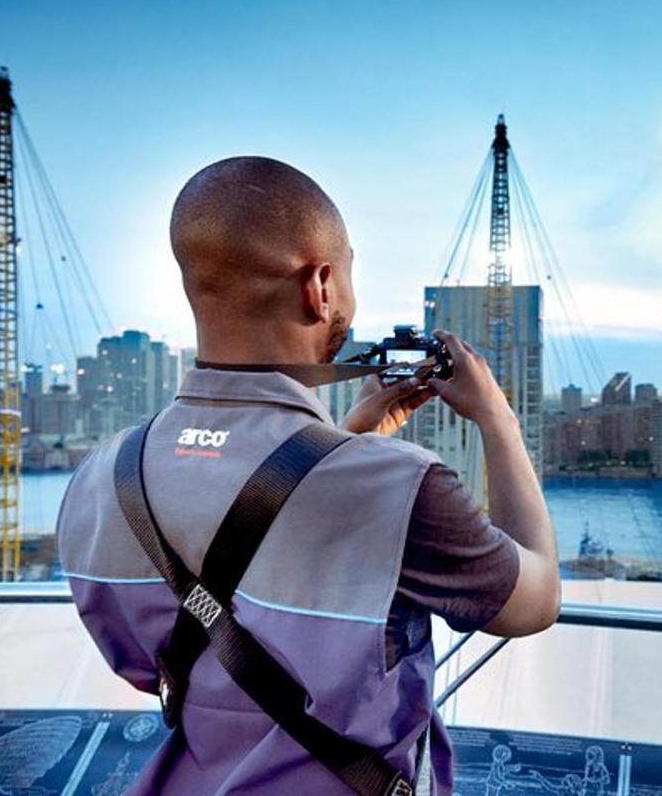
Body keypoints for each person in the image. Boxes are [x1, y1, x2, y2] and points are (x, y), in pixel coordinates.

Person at [57, 156, 561, 795]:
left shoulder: (102, 475)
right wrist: (497, 419)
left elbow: (200, 610)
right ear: (320, 286)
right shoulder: (400, 487)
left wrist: (341, 444)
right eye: (349, 273)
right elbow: (534, 601)